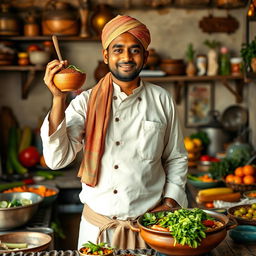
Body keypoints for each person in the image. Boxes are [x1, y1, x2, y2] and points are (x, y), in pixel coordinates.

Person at [41, 14, 188, 250]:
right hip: (97, 231)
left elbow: (176, 157)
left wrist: (170, 202)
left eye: (134, 50)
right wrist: (59, 99)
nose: (126, 58)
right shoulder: (85, 102)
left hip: (150, 230)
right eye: (118, 50)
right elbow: (56, 160)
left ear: (146, 56)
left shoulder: (162, 100)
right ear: (106, 55)